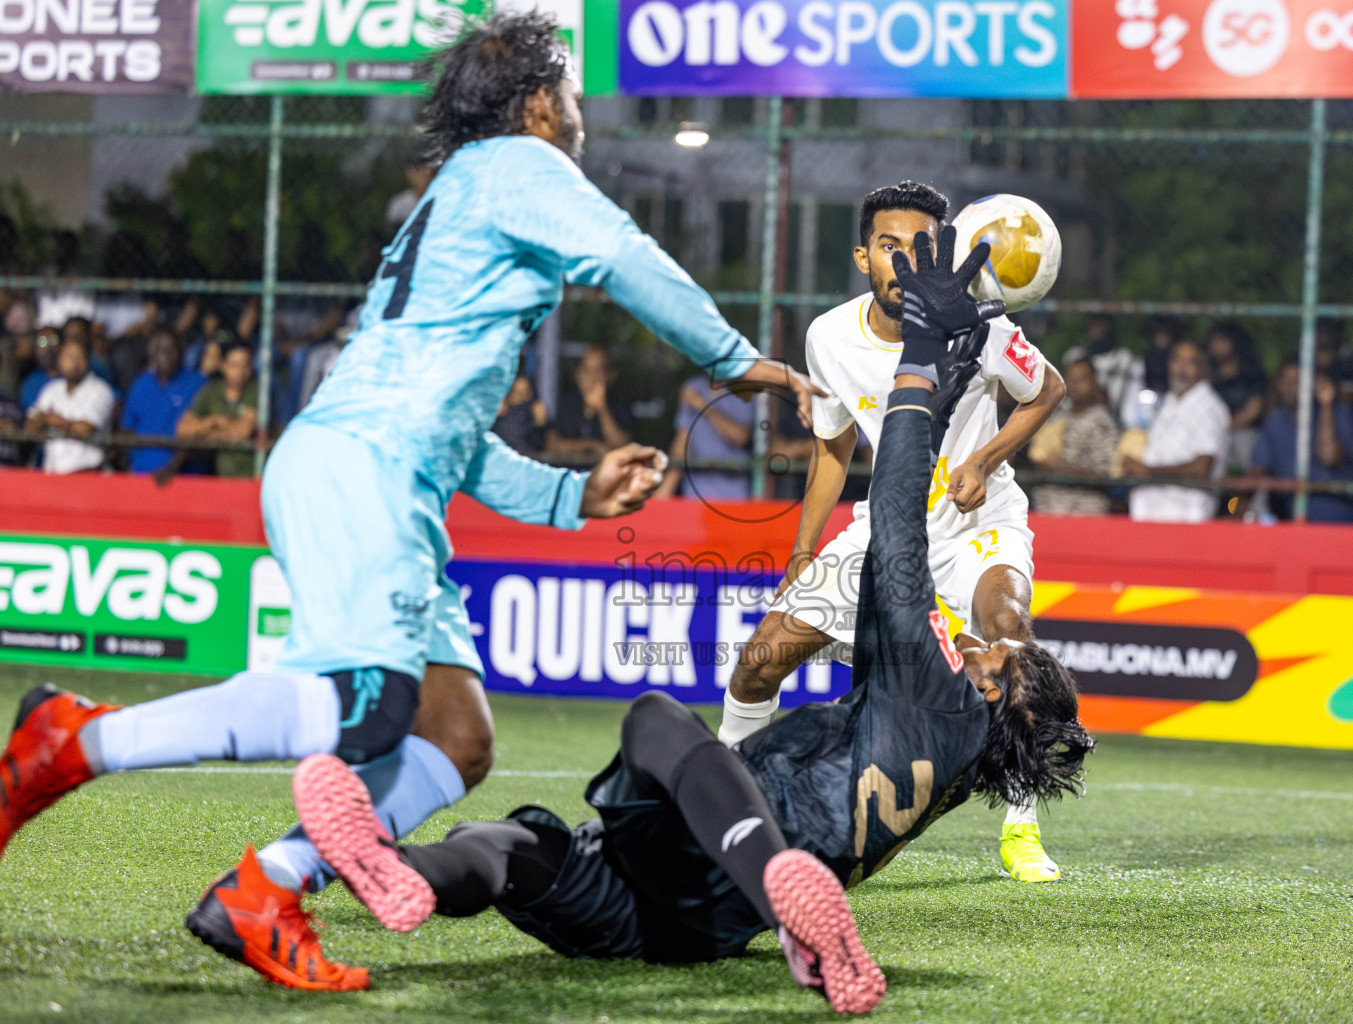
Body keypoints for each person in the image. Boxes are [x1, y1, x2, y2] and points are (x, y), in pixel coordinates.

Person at [0, 11, 818, 995]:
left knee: (453, 732)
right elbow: (623, 253)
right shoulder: (522, 166)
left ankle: (266, 886)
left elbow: (458, 434)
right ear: (540, 103)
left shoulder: (467, 192)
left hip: (379, 467)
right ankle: (74, 740)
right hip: (365, 469)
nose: (584, 117)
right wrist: (740, 360)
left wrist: (572, 493)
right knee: (370, 705)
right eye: (576, 97)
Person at [286, 231, 1093, 1011]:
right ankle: (395, 869)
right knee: (512, 847)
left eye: (1002, 658)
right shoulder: (953, 754)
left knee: (658, 722)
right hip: (686, 923)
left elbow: (894, 522)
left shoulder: (942, 685)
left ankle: (780, 894)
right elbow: (894, 561)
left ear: (993, 691)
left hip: (743, 856)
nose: (990, 645)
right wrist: (943, 398)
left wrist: (919, 364)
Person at [719, 182, 1068, 884]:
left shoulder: (981, 324)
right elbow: (832, 446)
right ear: (861, 256)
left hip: (979, 520)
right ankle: (729, 800)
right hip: (888, 524)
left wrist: (984, 458)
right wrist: (803, 548)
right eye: (888, 245)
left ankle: (1022, 828)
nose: (904, 260)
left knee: (1012, 632)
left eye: (920, 246)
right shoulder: (828, 337)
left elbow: (1049, 388)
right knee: (758, 662)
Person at [1125, 340, 1230, 523]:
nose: (1181, 368)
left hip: (1185, 514)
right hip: (1152, 512)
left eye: (1190, 363)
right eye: (1177, 360)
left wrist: (1147, 470)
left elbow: (1202, 467)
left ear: (1203, 369)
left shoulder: (1209, 407)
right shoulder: (1170, 402)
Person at [1249, 360, 1353, 523]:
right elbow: (1257, 470)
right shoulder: (1276, 421)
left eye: (1297, 381)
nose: (1291, 388)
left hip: (1338, 516)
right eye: (1286, 381)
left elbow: (1329, 457)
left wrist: (1326, 404)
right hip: (1293, 518)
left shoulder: (1339, 413)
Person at [1030, 356, 1120, 516]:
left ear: (1095, 382)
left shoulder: (1102, 422)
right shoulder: (1057, 417)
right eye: (1070, 379)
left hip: (1083, 512)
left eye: (1082, 379)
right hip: (1047, 508)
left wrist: (1060, 469)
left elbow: (1106, 475)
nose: (1075, 385)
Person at [119, 328, 206, 481]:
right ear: (150, 353)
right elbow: (127, 428)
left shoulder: (197, 383)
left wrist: (172, 468)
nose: (164, 354)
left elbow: (200, 433)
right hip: (141, 475)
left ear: (181, 350)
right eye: (158, 349)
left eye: (170, 348)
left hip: (185, 479)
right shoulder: (141, 384)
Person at [23, 334, 115, 474]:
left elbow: (84, 430)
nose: (75, 363)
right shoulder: (50, 390)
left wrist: (50, 420)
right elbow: (30, 426)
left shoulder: (101, 390)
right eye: (69, 357)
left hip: (89, 474)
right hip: (53, 475)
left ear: (87, 361)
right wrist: (51, 421)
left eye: (79, 357)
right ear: (60, 360)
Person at [655, 374, 753, 500]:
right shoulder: (693, 387)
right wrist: (664, 491)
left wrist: (702, 404)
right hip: (696, 494)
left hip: (733, 496)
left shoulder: (744, 389)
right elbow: (682, 444)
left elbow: (740, 437)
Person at [178, 344, 260, 478]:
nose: (240, 371)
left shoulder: (256, 390)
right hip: (220, 476)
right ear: (223, 365)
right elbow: (183, 429)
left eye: (245, 365)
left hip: (250, 476)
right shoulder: (212, 390)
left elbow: (243, 432)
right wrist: (212, 422)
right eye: (235, 365)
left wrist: (205, 435)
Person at [546, 346, 635, 456]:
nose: (592, 378)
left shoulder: (619, 404)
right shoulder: (567, 403)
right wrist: (592, 446)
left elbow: (623, 447)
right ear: (578, 374)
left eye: (598, 371)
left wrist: (602, 408)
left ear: (609, 375)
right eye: (587, 371)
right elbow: (551, 445)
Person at [1206, 323, 1267, 469]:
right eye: (1213, 340)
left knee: (1244, 441)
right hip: (1212, 431)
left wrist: (1226, 427)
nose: (1215, 345)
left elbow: (1254, 409)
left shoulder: (1251, 374)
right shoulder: (1207, 375)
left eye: (1221, 340)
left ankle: (1255, 489)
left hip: (1244, 432)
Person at [490, 374, 548, 455]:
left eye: (525, 392)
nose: (521, 397)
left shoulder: (534, 412)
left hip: (526, 456)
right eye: (517, 392)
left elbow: (540, 442)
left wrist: (540, 424)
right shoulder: (499, 411)